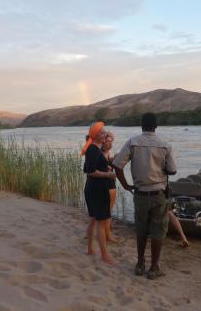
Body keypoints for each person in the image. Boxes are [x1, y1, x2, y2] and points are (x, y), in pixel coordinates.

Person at [113, 113, 177, 279]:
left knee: (141, 229)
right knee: (158, 231)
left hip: (140, 194)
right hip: (159, 194)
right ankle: (154, 267)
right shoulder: (165, 145)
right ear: (156, 126)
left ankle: (140, 264)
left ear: (142, 125)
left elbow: (117, 165)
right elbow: (173, 170)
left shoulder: (133, 142)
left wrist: (126, 185)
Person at [80, 122, 116, 264]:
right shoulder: (94, 150)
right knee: (101, 222)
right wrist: (108, 175)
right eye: (103, 133)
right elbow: (90, 171)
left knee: (94, 219)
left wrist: (105, 167)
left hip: (92, 188)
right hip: (97, 189)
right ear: (96, 135)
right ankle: (104, 255)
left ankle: (90, 249)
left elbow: (88, 168)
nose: (105, 134)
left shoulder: (93, 148)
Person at [101, 131, 117, 243]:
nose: (110, 144)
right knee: (107, 212)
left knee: (107, 211)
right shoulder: (101, 154)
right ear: (102, 142)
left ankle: (106, 233)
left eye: (111, 141)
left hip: (110, 185)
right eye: (107, 141)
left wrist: (112, 161)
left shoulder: (107, 154)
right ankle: (108, 236)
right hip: (107, 186)